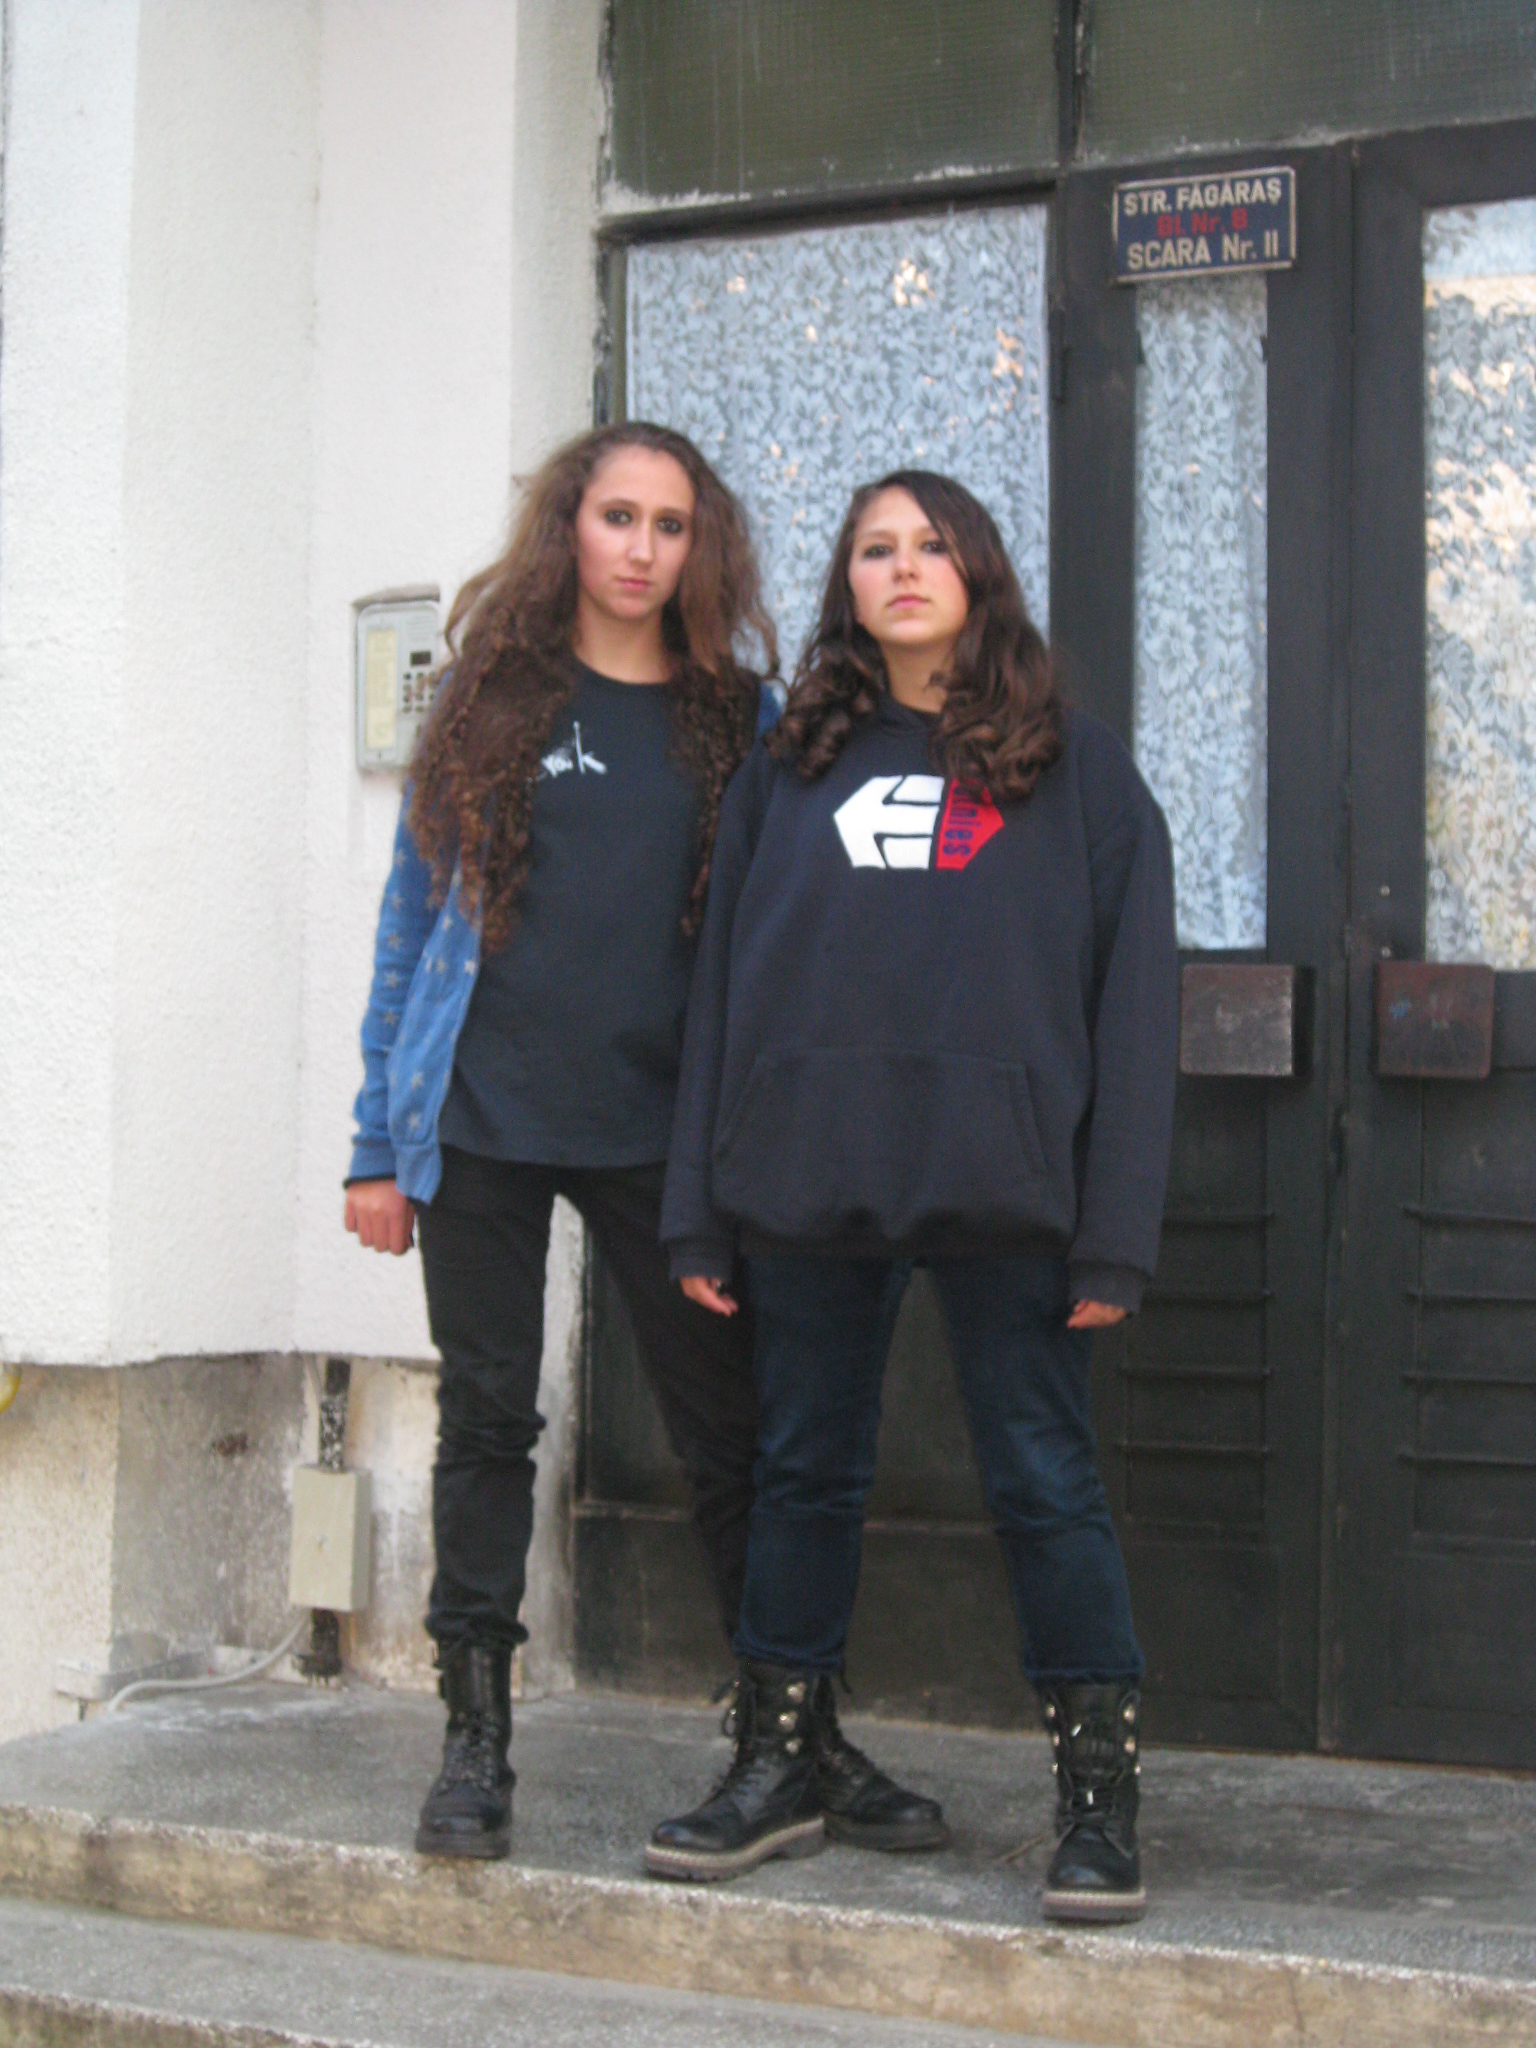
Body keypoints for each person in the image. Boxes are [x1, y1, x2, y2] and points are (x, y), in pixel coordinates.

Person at [648, 471, 1178, 1920]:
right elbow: (720, 999)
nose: (901, 568)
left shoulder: (1079, 770)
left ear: (978, 571)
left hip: (1013, 1192)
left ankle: (1099, 1796)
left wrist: (1116, 1234)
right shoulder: (788, 769)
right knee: (802, 1473)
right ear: (848, 587)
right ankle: (779, 1763)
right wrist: (698, 1203)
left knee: (1045, 1482)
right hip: (809, 1180)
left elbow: (1136, 1013)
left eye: (930, 544)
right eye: (874, 549)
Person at [344, 422, 776, 1860]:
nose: (642, 549)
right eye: (617, 517)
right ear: (568, 529)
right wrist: (373, 1144)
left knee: (729, 1426)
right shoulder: (490, 700)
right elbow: (411, 927)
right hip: (482, 1117)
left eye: (670, 524)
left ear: (698, 546)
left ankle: (786, 1731)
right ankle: (474, 1744)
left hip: (664, 1131)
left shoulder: (740, 721)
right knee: (486, 1422)